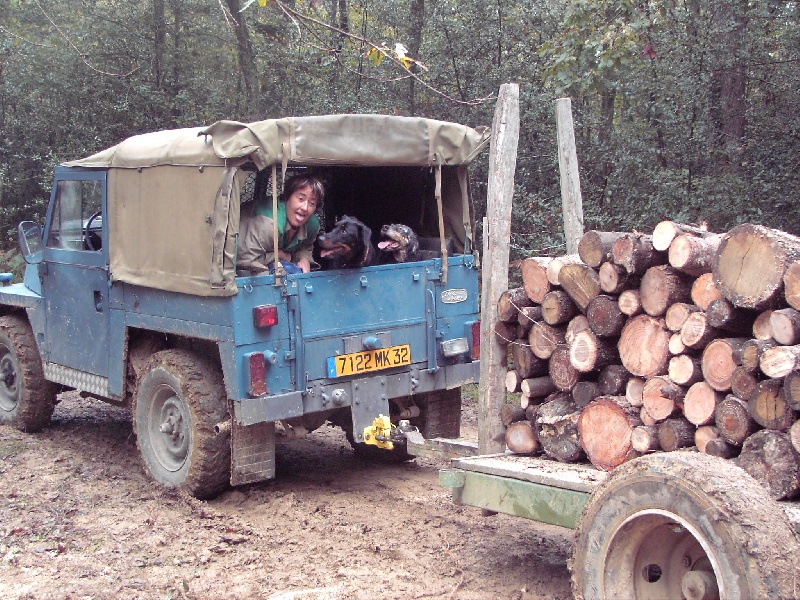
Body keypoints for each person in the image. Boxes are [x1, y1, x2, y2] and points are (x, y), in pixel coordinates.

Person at [237, 173, 325, 275]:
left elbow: (305, 246)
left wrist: (304, 258)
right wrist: (279, 255)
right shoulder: (269, 225)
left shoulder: (311, 225)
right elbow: (245, 261)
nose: (305, 208)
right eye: (301, 199)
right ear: (287, 197)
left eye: (312, 203)